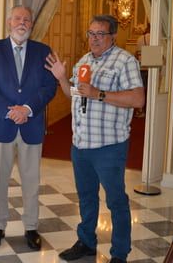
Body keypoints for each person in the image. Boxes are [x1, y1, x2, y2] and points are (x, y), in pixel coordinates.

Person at [45, 14, 144, 263]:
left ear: (113, 36)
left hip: (109, 147)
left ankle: (119, 254)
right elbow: (74, 94)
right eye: (91, 33)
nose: (94, 39)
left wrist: (99, 93)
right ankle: (87, 242)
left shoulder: (125, 61)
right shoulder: (84, 61)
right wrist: (61, 78)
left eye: (101, 34)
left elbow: (138, 99)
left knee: (116, 201)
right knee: (86, 197)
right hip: (81, 145)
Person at [0, 5, 57, 251]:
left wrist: (27, 109)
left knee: (31, 181)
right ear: (9, 22)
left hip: (31, 126)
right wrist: (9, 111)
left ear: (32, 25)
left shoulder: (43, 52)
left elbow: (49, 87)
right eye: (18, 18)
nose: (22, 23)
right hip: (1, 124)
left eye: (27, 20)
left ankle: (31, 226)